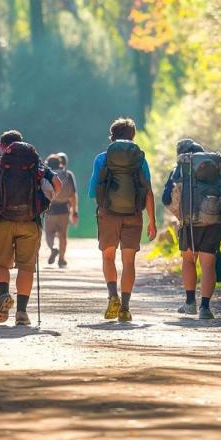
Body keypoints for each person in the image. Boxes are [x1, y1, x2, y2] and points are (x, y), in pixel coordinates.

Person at [0, 130, 60, 326]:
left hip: (2, 221)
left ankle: (4, 294)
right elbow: (57, 183)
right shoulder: (35, 164)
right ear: (21, 144)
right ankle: (22, 313)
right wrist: (45, 202)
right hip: (30, 222)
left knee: (0, 263)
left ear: (2, 147)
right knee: (26, 267)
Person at [89, 118, 157, 322]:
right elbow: (148, 192)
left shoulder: (102, 158)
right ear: (133, 136)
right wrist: (152, 221)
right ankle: (125, 308)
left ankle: (113, 297)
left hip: (108, 213)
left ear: (112, 136)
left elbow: (93, 191)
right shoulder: (140, 159)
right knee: (129, 262)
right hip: (133, 214)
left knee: (108, 257)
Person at [162, 138, 221, 320]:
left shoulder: (180, 169)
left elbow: (166, 198)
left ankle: (189, 303)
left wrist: (179, 215)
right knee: (208, 264)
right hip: (214, 222)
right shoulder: (216, 169)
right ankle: (205, 307)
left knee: (189, 261)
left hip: (190, 223)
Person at [44, 153, 78, 268]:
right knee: (63, 235)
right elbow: (73, 195)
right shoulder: (68, 175)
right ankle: (61, 259)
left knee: (49, 233)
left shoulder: (47, 175)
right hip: (64, 209)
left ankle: (53, 248)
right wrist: (74, 211)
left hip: (50, 210)